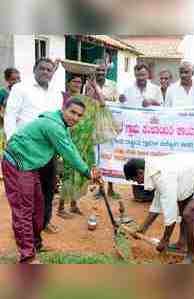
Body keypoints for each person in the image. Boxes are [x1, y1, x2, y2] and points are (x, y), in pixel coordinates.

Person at [2, 98, 102, 263]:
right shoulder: (53, 126)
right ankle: (28, 257)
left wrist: (89, 169)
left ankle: (34, 245)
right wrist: (87, 173)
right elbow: (68, 152)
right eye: (72, 112)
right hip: (17, 163)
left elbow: (70, 147)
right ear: (63, 109)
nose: (75, 118)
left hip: (30, 165)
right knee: (24, 211)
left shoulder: (61, 125)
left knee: (39, 209)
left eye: (79, 115)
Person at [123, 153, 194, 264]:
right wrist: (142, 229)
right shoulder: (154, 170)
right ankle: (182, 244)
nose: (138, 183)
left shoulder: (161, 175)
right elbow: (157, 204)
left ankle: (191, 256)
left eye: (136, 179)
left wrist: (165, 240)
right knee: (182, 203)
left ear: (140, 172)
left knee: (188, 213)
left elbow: (170, 213)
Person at [5, 58, 63, 234]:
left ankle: (43, 223)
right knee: (26, 194)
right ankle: (26, 230)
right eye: (42, 68)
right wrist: (12, 141)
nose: (46, 72)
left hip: (48, 150)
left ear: (53, 73)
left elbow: (58, 121)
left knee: (48, 189)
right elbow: (10, 115)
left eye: (49, 69)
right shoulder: (20, 88)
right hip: (25, 150)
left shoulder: (56, 93)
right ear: (34, 70)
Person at [58, 75, 117, 219]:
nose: (92, 91)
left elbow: (103, 104)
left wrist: (96, 85)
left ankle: (73, 205)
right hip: (72, 144)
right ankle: (60, 207)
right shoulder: (79, 102)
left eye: (94, 89)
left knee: (81, 177)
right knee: (68, 176)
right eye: (89, 88)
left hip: (86, 146)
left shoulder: (95, 104)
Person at [86, 61, 120, 199]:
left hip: (107, 126)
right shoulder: (88, 84)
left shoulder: (113, 85)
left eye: (102, 70)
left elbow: (115, 104)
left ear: (106, 71)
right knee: (97, 159)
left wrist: (100, 96)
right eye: (98, 70)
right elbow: (87, 101)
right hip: (94, 125)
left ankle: (111, 188)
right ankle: (101, 188)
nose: (100, 73)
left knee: (109, 157)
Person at [0, 68, 20, 171]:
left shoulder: (23, 92)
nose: (16, 81)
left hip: (20, 127)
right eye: (13, 79)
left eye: (18, 79)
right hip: (5, 127)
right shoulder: (3, 93)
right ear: (7, 80)